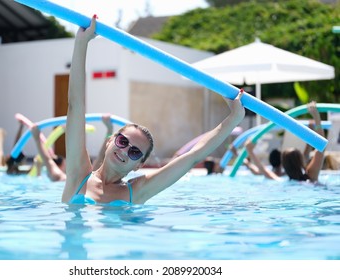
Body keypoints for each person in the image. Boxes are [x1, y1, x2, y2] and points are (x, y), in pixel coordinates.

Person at [62, 16, 245, 205]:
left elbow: (193, 157)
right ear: (109, 141)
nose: (125, 150)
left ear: (139, 165)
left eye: (134, 152)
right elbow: (75, 105)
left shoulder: (137, 192)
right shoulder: (78, 174)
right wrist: (82, 43)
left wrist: (234, 118)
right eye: (122, 141)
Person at [245, 101, 325, 183]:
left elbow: (263, 170)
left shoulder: (279, 180)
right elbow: (321, 146)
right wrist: (316, 117)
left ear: (283, 165)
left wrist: (250, 150)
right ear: (301, 160)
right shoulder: (311, 176)